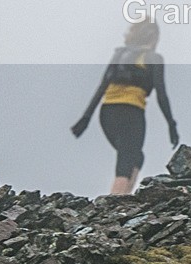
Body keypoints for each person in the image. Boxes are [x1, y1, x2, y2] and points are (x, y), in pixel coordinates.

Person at [71, 20, 179, 195]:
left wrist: (86, 118)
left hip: (107, 113)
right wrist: (171, 125)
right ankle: (116, 201)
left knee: (136, 157)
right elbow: (161, 95)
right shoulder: (154, 58)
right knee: (127, 158)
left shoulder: (119, 55)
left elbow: (102, 86)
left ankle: (124, 197)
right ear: (153, 37)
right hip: (131, 112)